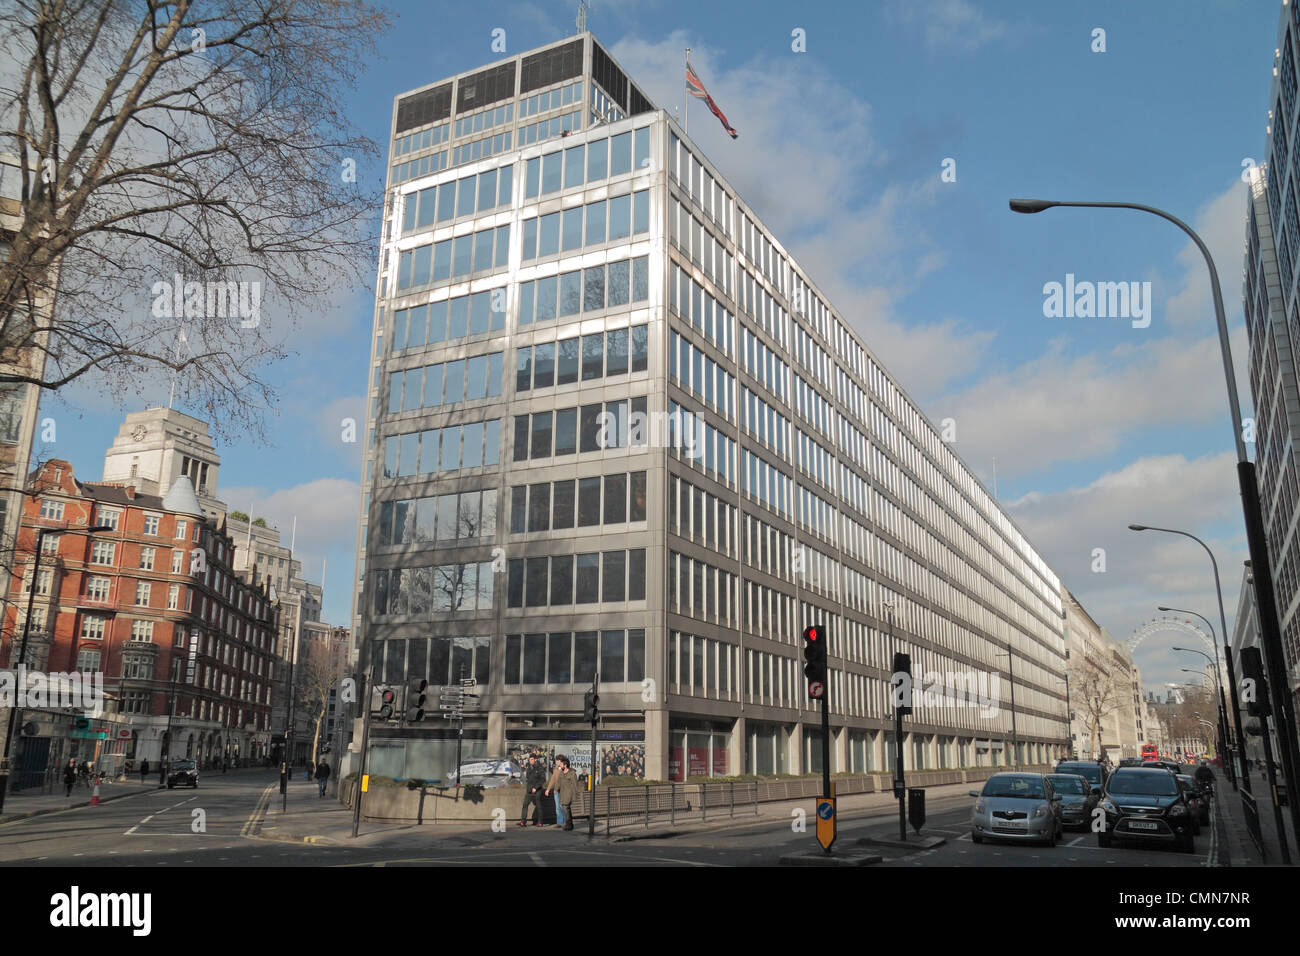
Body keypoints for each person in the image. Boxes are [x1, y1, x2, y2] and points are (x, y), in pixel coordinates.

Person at [519, 753, 547, 827]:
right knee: (525, 805)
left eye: (531, 759)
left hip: (537, 791)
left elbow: (543, 779)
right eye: (529, 759)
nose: (530, 761)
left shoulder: (539, 768)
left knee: (538, 806)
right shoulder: (529, 767)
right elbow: (528, 778)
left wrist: (536, 787)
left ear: (535, 760)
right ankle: (523, 821)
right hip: (529, 790)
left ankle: (540, 822)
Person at [554, 756, 578, 831]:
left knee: (566, 808)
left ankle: (569, 825)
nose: (560, 766)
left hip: (568, 794)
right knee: (566, 809)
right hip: (562, 793)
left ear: (565, 765)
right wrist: (556, 789)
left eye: (561, 764)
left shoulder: (572, 773)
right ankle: (570, 824)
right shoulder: (561, 772)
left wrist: (574, 796)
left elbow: (574, 785)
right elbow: (558, 782)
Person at [545, 759, 564, 829]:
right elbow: (552, 780)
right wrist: (548, 789)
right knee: (557, 808)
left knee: (563, 807)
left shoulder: (564, 769)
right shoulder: (556, 770)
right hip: (556, 791)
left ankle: (565, 821)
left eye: (558, 761)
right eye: (557, 761)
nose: (557, 762)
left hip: (563, 791)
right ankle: (559, 823)